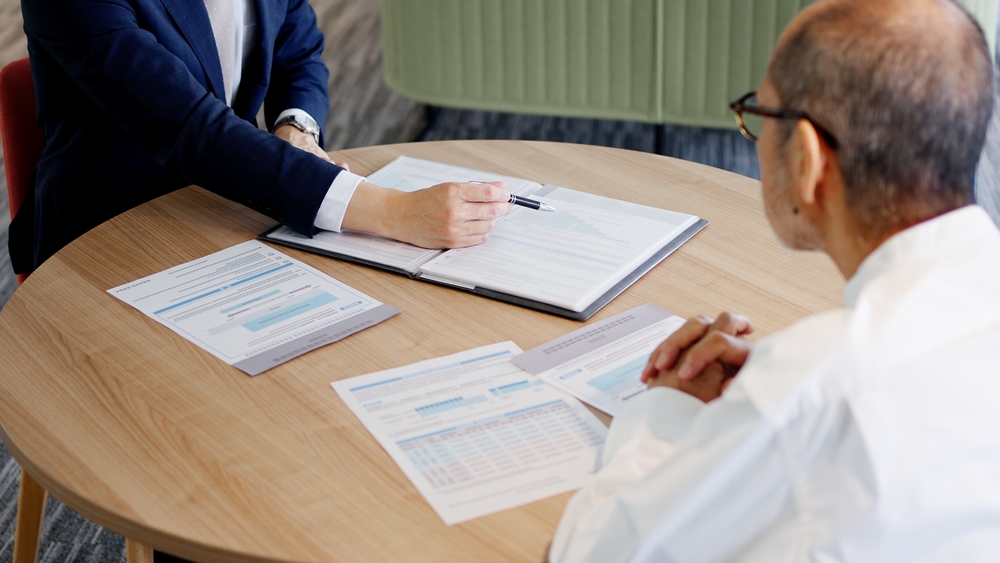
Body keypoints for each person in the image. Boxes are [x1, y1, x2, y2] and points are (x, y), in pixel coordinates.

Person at [550, 0, 1000, 560]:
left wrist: (667, 411)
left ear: (808, 158)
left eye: (760, 114)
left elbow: (590, 552)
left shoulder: (811, 385)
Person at [10, 0, 510, 274]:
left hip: (234, 198)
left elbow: (299, 49)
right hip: (110, 230)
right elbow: (189, 129)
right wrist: (393, 212)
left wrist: (297, 129)